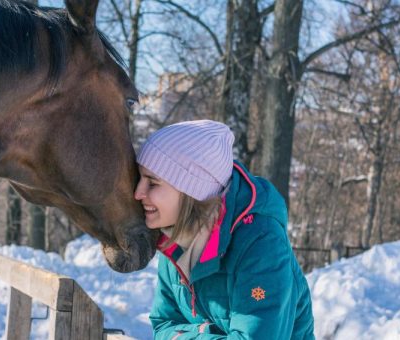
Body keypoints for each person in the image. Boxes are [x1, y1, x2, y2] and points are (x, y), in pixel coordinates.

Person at [134, 120, 314, 339]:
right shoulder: (173, 238)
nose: (138, 193)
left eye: (152, 183)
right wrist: (211, 333)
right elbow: (162, 325)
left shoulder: (260, 242)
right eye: (139, 178)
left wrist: (189, 334)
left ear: (190, 188)